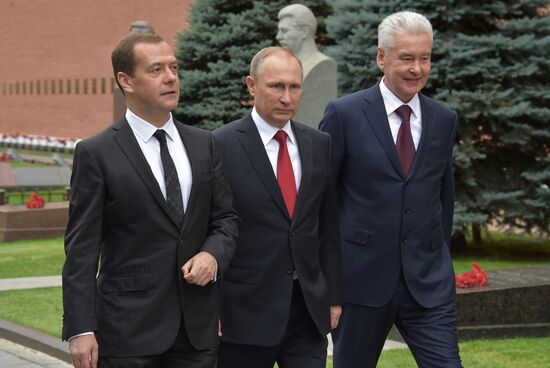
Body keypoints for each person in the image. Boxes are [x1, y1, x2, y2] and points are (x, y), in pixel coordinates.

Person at [62, 32, 239, 368]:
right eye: (156, 70)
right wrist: (80, 328)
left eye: (174, 67)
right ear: (125, 81)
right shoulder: (96, 153)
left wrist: (212, 255)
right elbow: (81, 248)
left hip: (195, 332)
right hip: (127, 333)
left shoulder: (206, 144)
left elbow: (226, 219)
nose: (171, 77)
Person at [319, 11, 462, 368]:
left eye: (425, 58)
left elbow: (443, 197)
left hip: (428, 287)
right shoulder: (344, 114)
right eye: (407, 58)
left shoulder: (443, 119)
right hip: (360, 285)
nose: (418, 68)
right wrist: (330, 284)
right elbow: (324, 200)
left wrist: (440, 263)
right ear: (382, 58)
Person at [214, 47, 343, 368]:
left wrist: (334, 296)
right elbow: (210, 228)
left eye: (294, 87)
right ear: (252, 85)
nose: (287, 97)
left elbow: (327, 226)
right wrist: (209, 307)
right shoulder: (220, 144)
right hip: (243, 313)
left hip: (307, 310)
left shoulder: (318, 143)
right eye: (276, 86)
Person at [276, 4, 337, 129]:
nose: (278, 37)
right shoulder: (292, 66)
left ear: (304, 32)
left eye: (284, 31)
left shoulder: (322, 66)